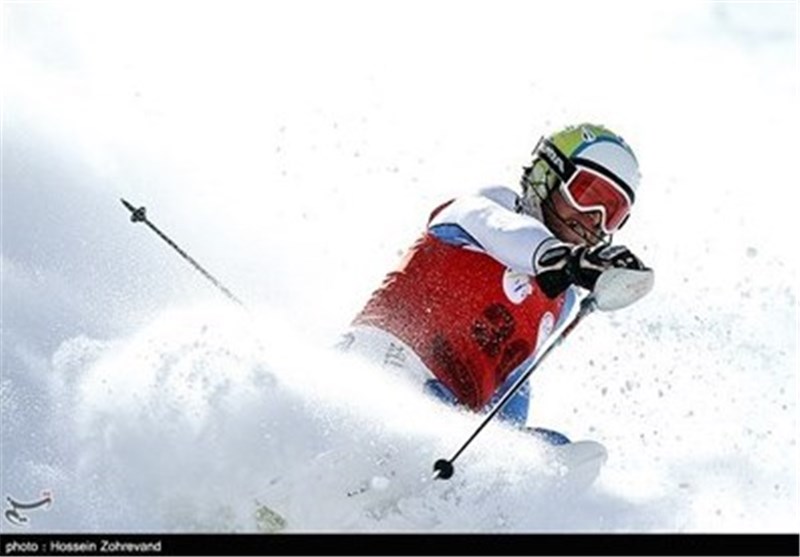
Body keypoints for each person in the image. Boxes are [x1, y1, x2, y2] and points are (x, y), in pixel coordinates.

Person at [338, 123, 654, 445]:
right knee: (420, 408)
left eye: (612, 213)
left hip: (438, 419)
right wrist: (565, 260)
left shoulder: (560, 301)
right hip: (378, 367)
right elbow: (498, 228)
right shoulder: (489, 206)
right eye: (589, 195)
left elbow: (511, 383)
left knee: (549, 448)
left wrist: (508, 455)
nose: (594, 218)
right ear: (549, 175)